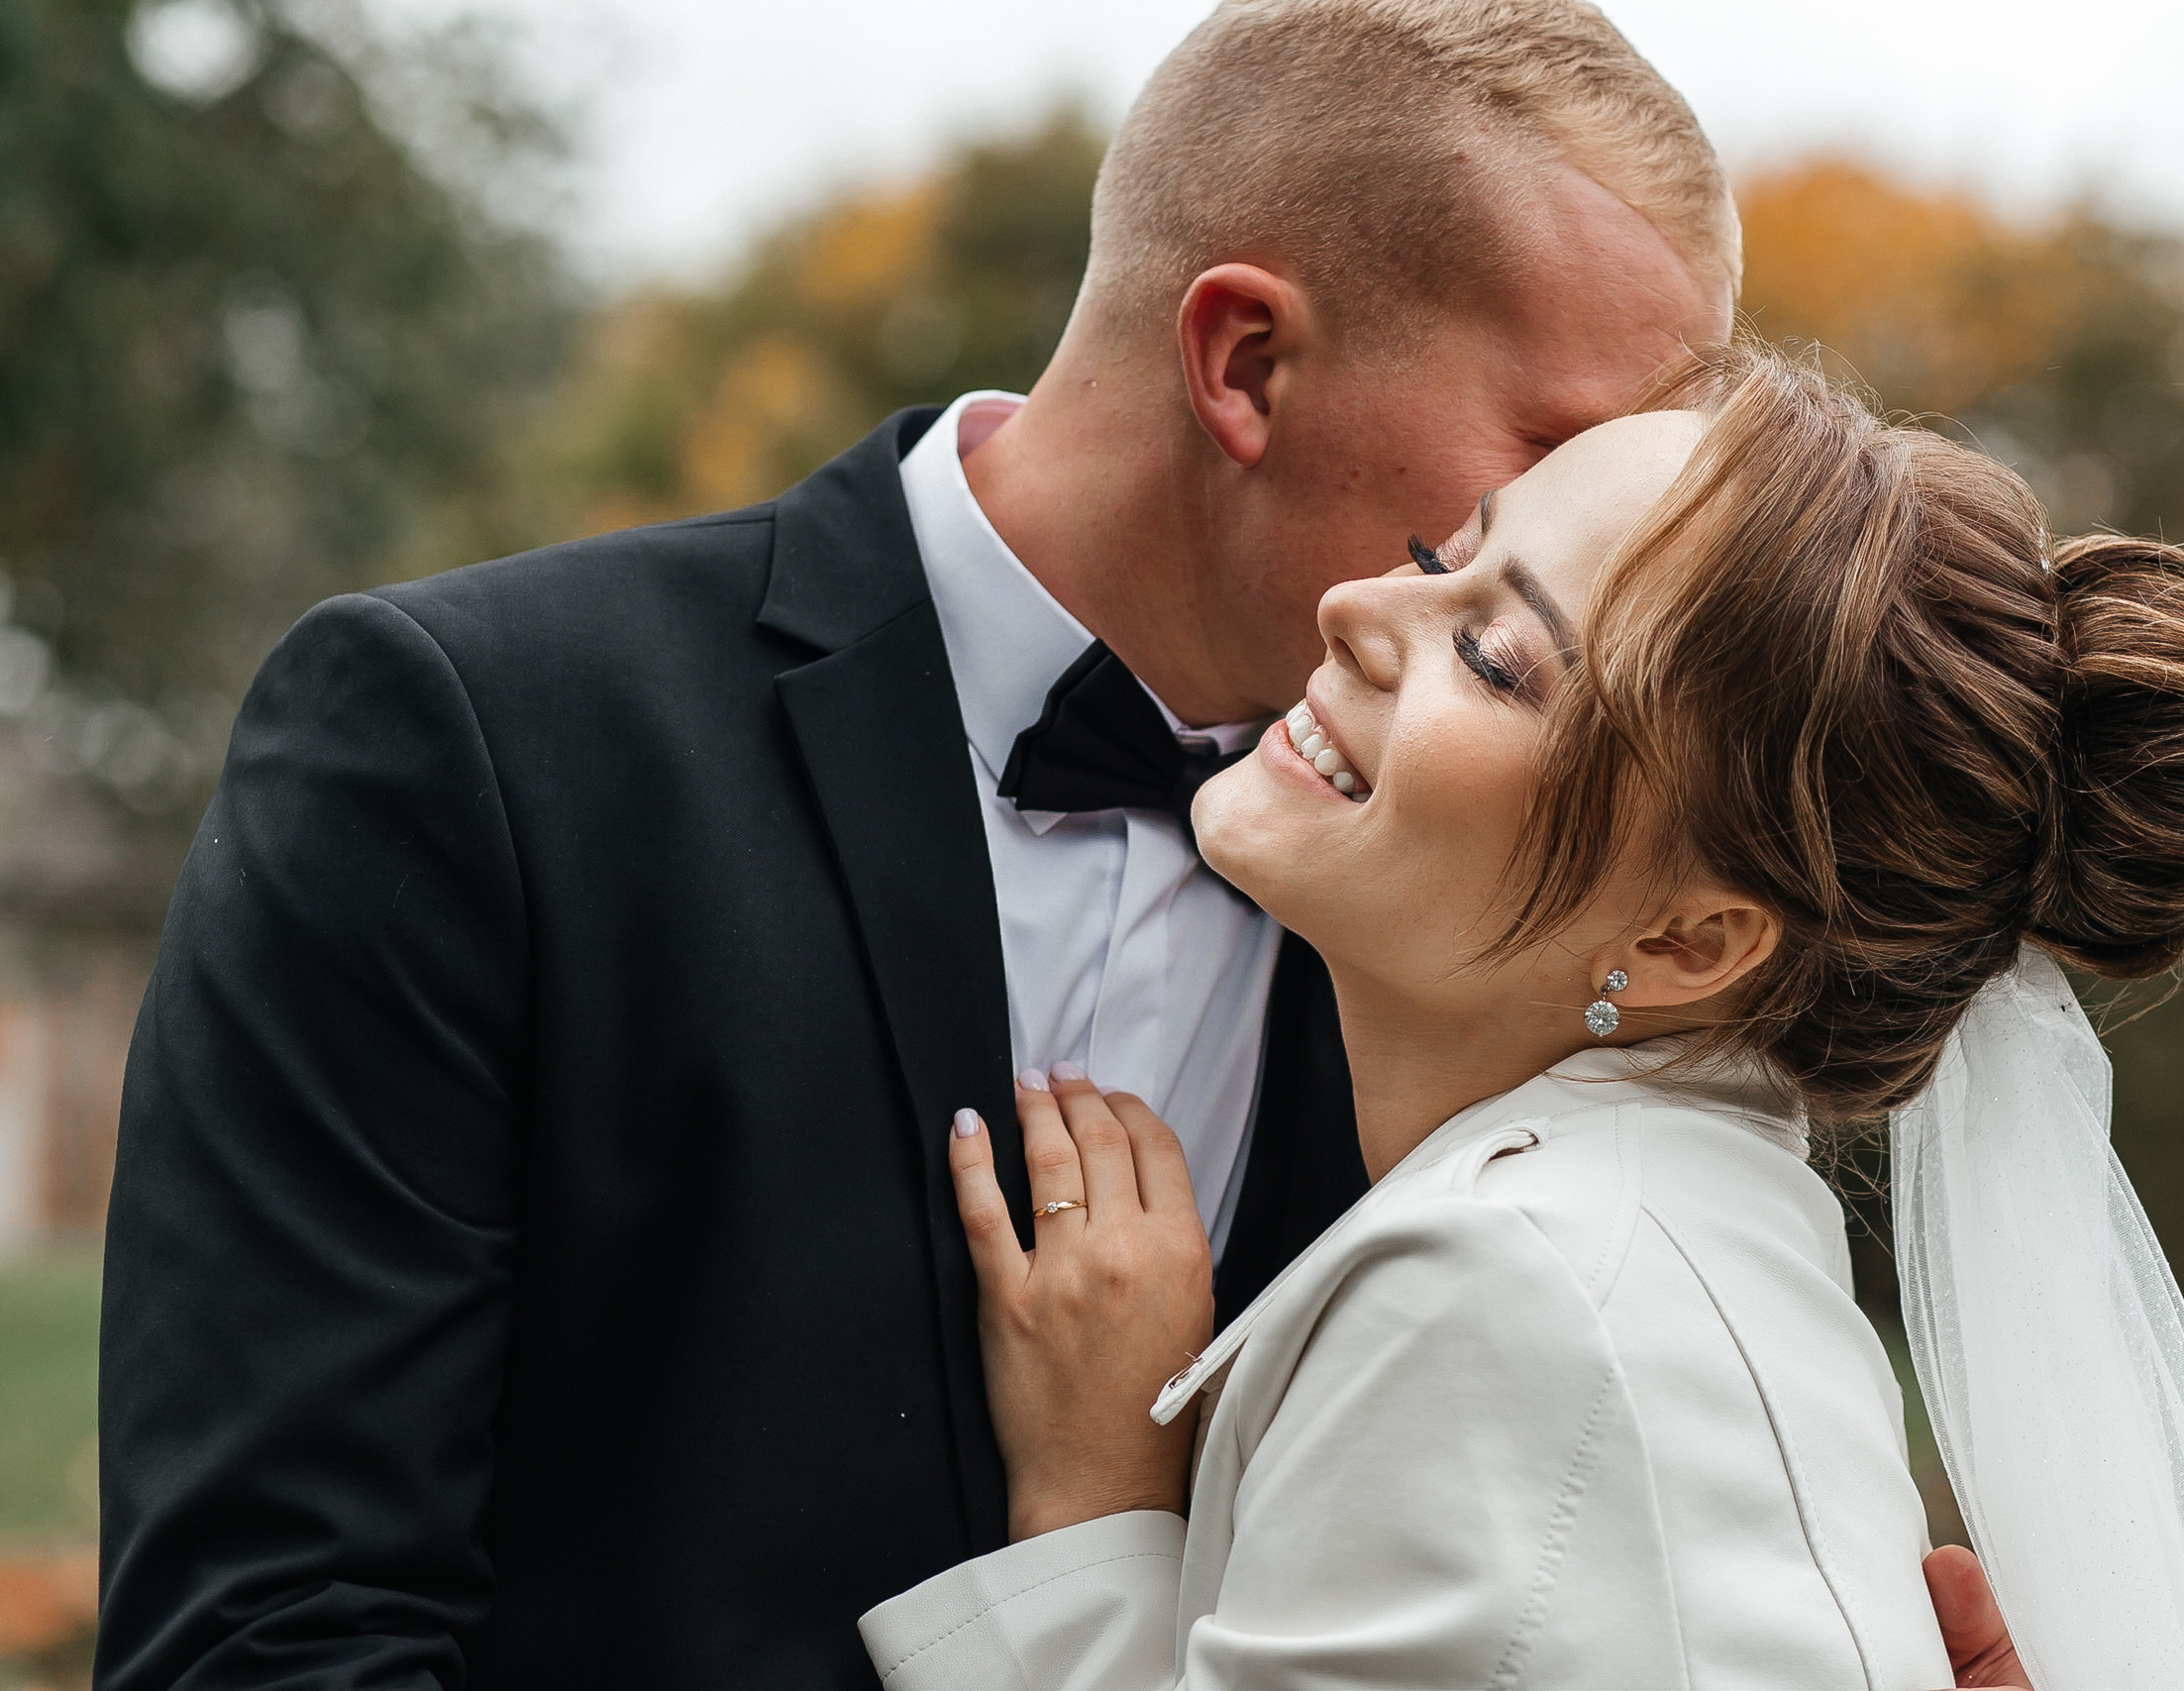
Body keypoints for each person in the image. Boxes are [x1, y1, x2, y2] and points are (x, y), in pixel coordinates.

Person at [95, 1, 1755, 1686]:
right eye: (1560, 451)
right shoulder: (474, 744)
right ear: (1245, 362)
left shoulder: (1493, 933)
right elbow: (272, 1638)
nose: (1609, 552)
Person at [858, 347, 2184, 1686]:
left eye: (1495, 658)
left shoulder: (1507, 1291)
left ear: (1688, 938)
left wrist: (1094, 1504)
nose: (1357, 609)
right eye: (1448, 555)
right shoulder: (1689, 1242)